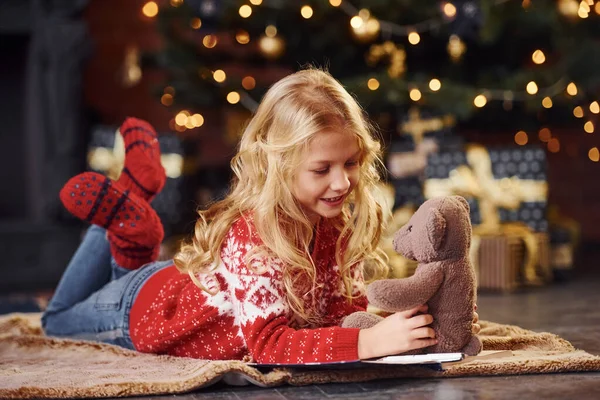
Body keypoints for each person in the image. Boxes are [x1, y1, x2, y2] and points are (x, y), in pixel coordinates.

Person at [43, 68, 474, 364]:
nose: (342, 183)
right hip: (140, 311)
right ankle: (126, 215)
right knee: (55, 319)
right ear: (278, 166)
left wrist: (399, 327)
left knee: (111, 281)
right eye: (322, 170)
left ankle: (132, 222)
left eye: (352, 163)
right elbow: (268, 344)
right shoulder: (255, 236)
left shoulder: (333, 219)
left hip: (173, 284)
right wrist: (366, 342)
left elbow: (339, 307)